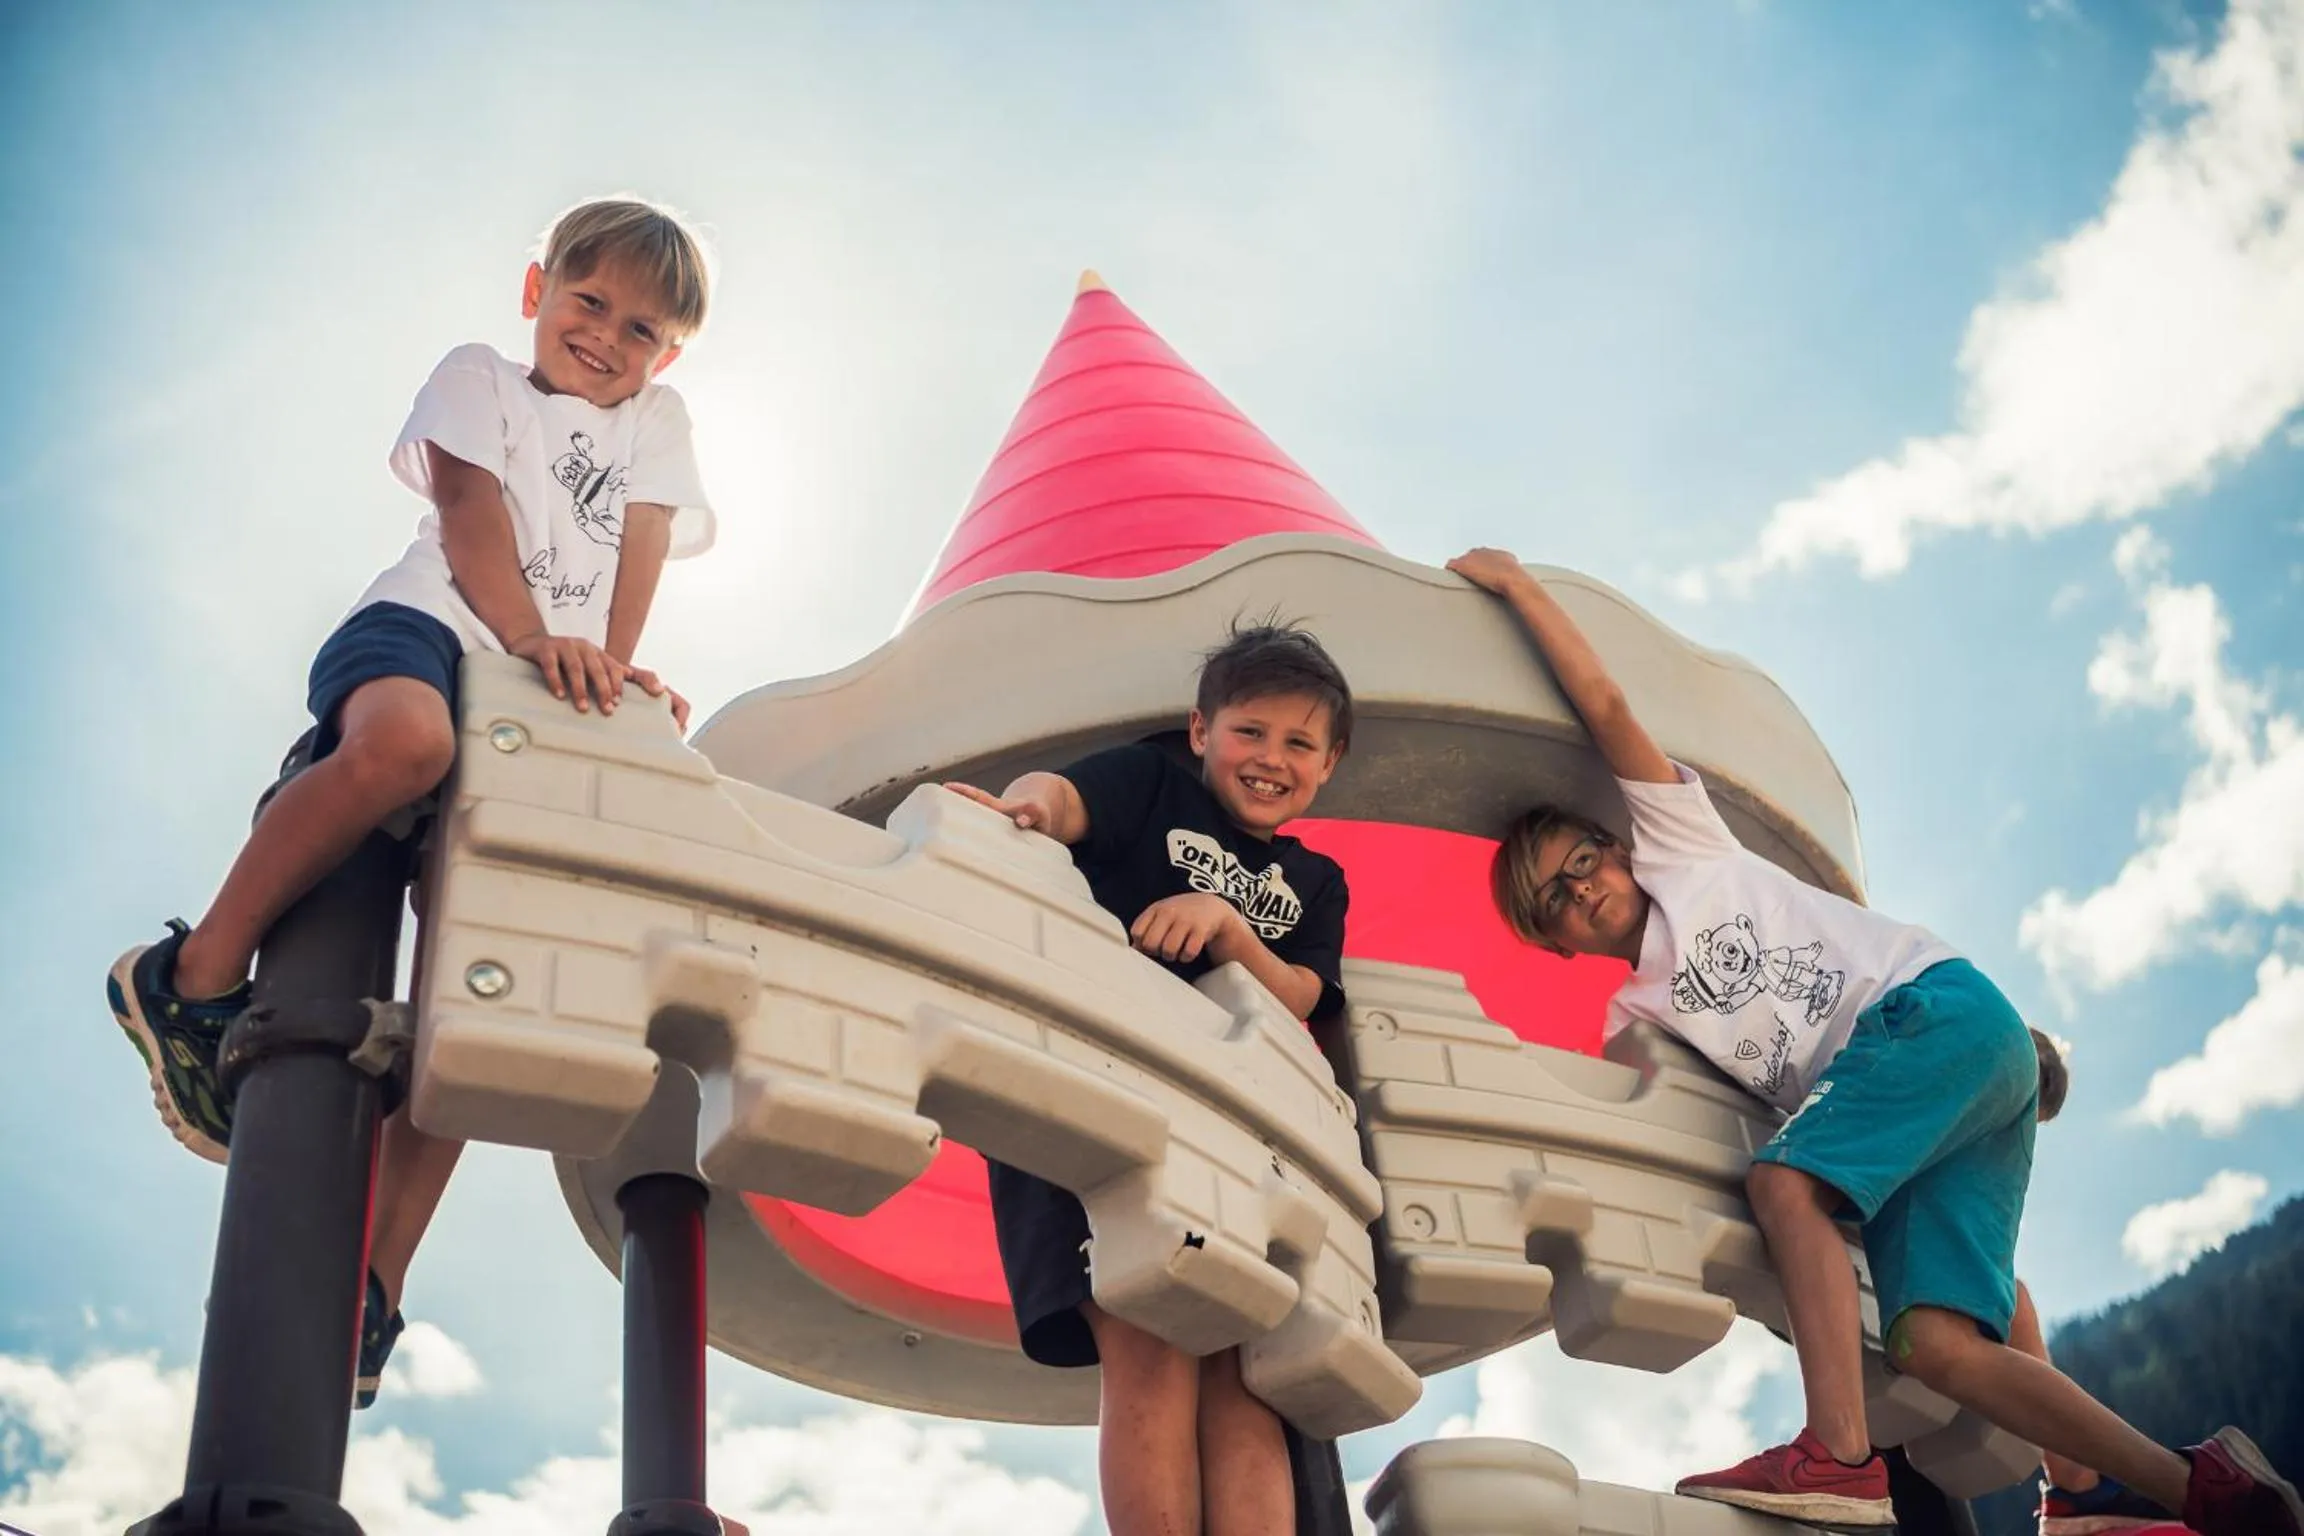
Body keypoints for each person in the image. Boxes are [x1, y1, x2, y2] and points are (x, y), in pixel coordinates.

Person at [1448, 546, 2300, 1536]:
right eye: (1555, 895)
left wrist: (1518, 587)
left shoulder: (1686, 852)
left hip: (1928, 1013)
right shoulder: (1635, 1018)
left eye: (1585, 859)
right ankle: (2161, 1490)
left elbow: (1604, 703)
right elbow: (1639, 1109)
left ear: (1619, 851)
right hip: (1925, 1084)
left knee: (1783, 1184)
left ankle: (1838, 1457)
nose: (1583, 886)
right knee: (1936, 1341)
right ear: (1549, 938)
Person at [105, 197, 716, 1407]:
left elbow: (641, 544)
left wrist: (606, 675)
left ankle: (371, 1286)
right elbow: (468, 513)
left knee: (484, 1001)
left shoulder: (659, 421)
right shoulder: (480, 375)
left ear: (669, 355)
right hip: (427, 630)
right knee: (406, 747)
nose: (607, 336)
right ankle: (188, 979)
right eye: (588, 301)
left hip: (536, 680)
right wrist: (542, 634)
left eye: (640, 328)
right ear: (538, 289)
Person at [945, 622, 1354, 1536]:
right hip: (1100, 1091)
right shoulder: (1149, 781)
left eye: (1299, 743)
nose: (1270, 758)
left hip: (1239, 1130)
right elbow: (1060, 799)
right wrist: (1023, 813)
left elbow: (1300, 995)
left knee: (1244, 1374)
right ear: (1202, 730)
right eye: (1250, 731)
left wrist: (1228, 925)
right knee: (1151, 1335)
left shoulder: (1316, 879)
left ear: (1329, 765)